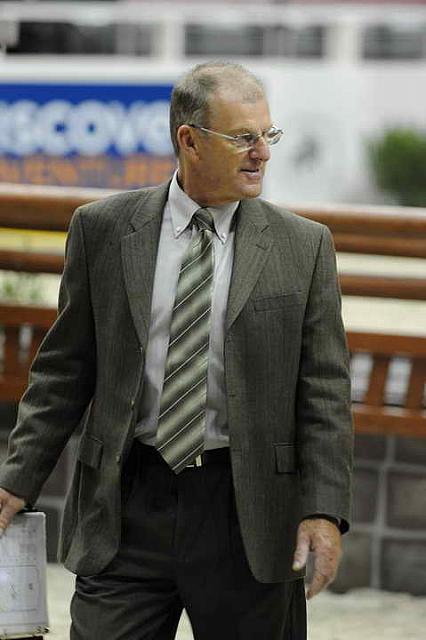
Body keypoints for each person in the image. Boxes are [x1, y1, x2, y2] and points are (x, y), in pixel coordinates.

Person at [0, 62, 353, 639]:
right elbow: (64, 371)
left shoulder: (304, 246)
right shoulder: (102, 229)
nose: (262, 153)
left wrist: (323, 509)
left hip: (250, 514)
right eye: (243, 137)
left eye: (268, 134)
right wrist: (16, 480)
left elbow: (324, 393)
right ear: (189, 140)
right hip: (125, 507)